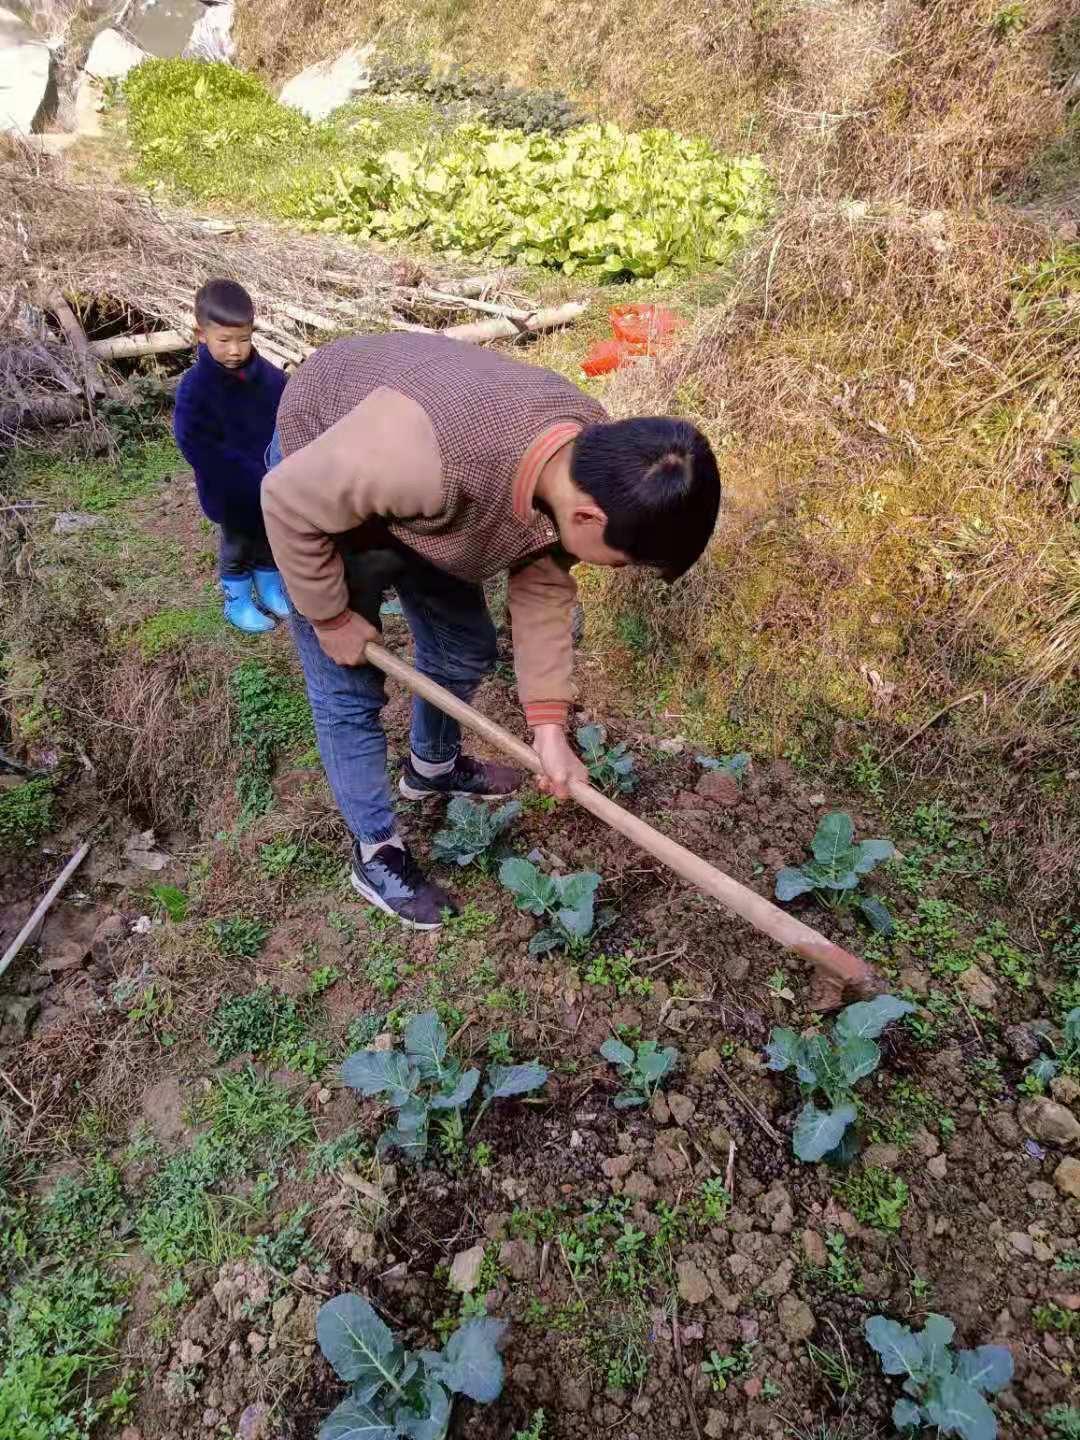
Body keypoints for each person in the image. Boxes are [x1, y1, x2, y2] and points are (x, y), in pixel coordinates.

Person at [261, 332, 721, 930]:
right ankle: (375, 851)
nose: (615, 570)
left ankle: (431, 767)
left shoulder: (598, 461)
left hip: (426, 489)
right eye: (621, 561)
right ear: (587, 517)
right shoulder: (420, 461)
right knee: (347, 687)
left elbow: (544, 579)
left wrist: (548, 727)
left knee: (462, 645)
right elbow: (287, 500)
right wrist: (328, 616)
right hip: (320, 474)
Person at [173, 279, 289, 634]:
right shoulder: (196, 387)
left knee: (269, 537)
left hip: (271, 480)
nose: (235, 350)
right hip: (230, 489)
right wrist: (243, 477)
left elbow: (286, 416)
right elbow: (194, 441)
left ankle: (270, 588)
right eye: (224, 340)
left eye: (243, 339)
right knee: (238, 542)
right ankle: (237, 598)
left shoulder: (269, 379)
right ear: (201, 334)